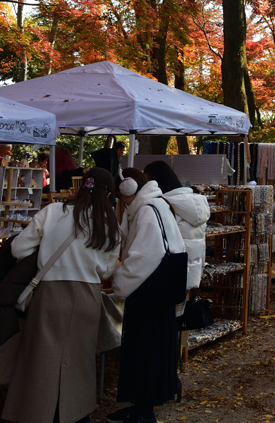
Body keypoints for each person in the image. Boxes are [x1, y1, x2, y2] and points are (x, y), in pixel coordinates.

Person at [2, 167, 121, 423]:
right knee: (79, 361)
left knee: (40, 360)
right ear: (109, 193)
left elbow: (18, 248)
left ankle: (37, 414)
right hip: (87, 295)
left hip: (49, 293)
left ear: (80, 187)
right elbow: (108, 270)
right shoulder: (110, 223)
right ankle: (76, 415)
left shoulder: (53, 211)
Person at [110, 169, 187, 423]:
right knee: (151, 350)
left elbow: (144, 256)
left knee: (145, 351)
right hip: (158, 295)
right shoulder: (155, 205)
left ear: (128, 190)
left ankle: (143, 411)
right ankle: (141, 406)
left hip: (148, 294)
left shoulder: (146, 210)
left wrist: (120, 281)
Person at [142, 161, 210, 292]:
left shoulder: (162, 205)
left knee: (170, 311)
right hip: (193, 270)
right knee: (183, 309)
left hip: (171, 272)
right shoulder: (197, 202)